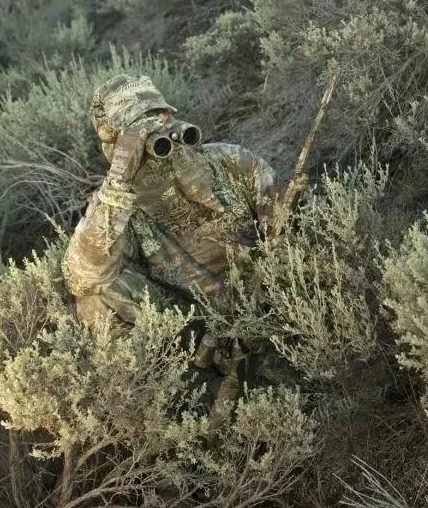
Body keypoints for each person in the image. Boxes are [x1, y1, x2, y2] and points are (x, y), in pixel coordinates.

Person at [62, 73, 280, 428]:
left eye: (161, 118)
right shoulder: (119, 208)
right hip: (189, 327)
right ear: (115, 145)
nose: (158, 131)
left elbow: (289, 229)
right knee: (95, 297)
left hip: (262, 301)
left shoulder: (231, 162)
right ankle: (180, 405)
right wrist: (118, 184)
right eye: (140, 130)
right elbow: (82, 277)